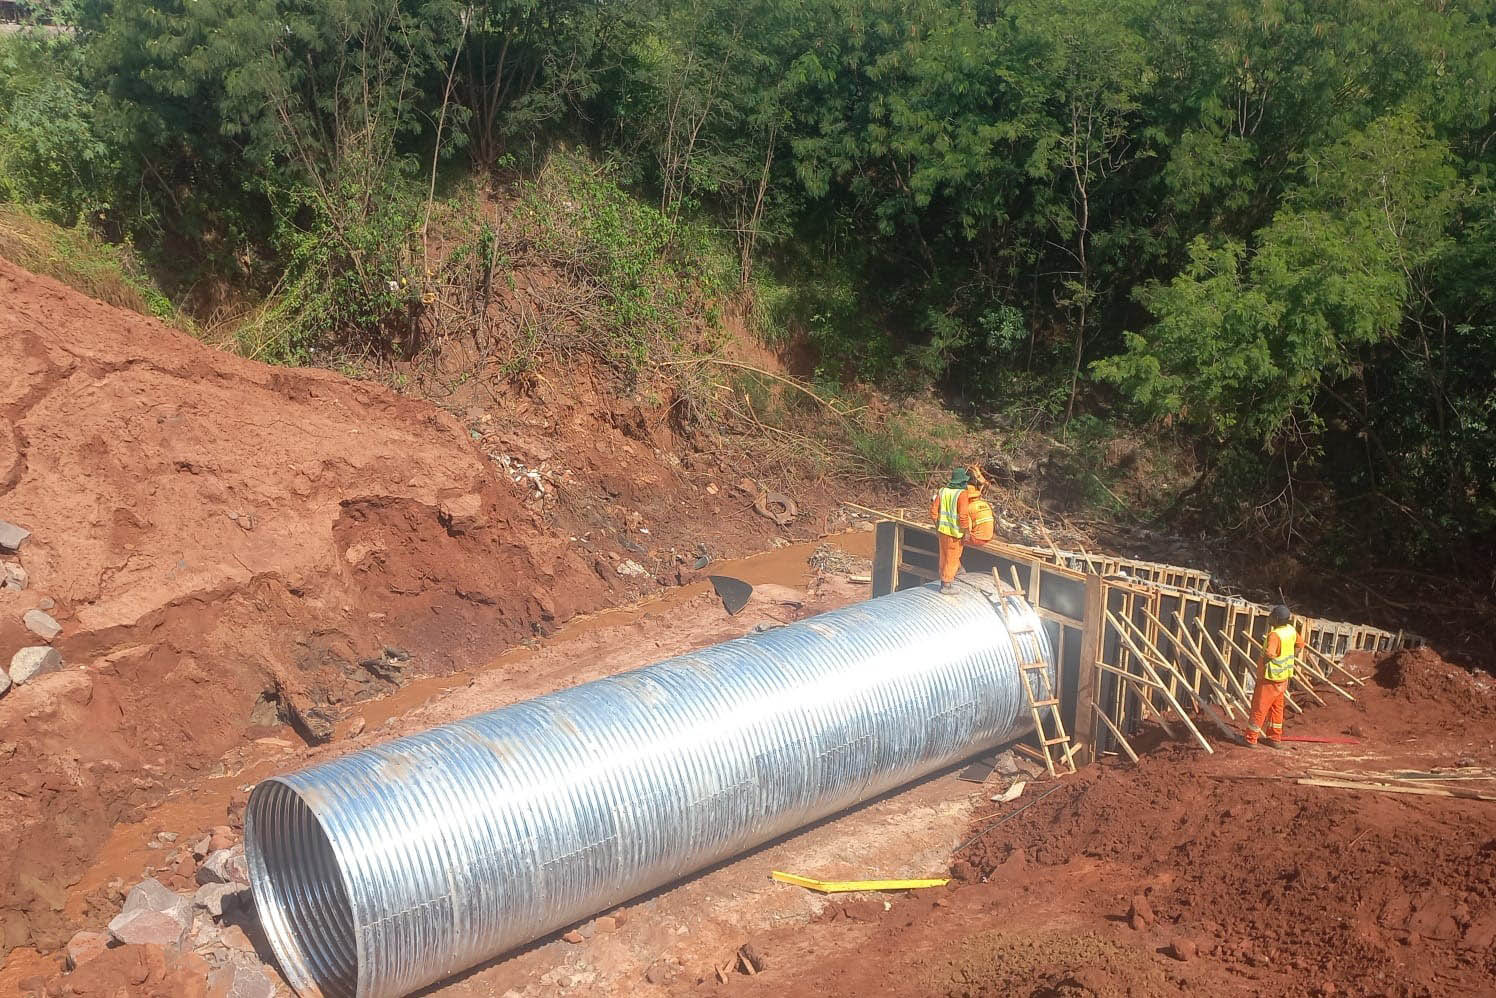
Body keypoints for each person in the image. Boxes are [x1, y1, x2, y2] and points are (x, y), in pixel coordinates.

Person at [1245, 604, 1297, 748]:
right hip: (1283, 678)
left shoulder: (1275, 635)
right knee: (1277, 709)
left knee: (1259, 707)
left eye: (1272, 615)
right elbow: (1300, 644)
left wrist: (1266, 663)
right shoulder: (1291, 631)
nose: (1270, 617)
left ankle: (1251, 738)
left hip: (1270, 677)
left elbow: (1269, 653)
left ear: (1277, 619)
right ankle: (1274, 738)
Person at [930, 467, 972, 593]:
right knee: (952, 557)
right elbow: (963, 516)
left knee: (944, 556)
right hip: (954, 533)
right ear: (962, 482)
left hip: (942, 531)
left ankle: (956, 571)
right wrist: (967, 532)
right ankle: (946, 584)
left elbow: (933, 512)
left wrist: (937, 526)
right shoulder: (962, 494)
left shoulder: (942, 491)